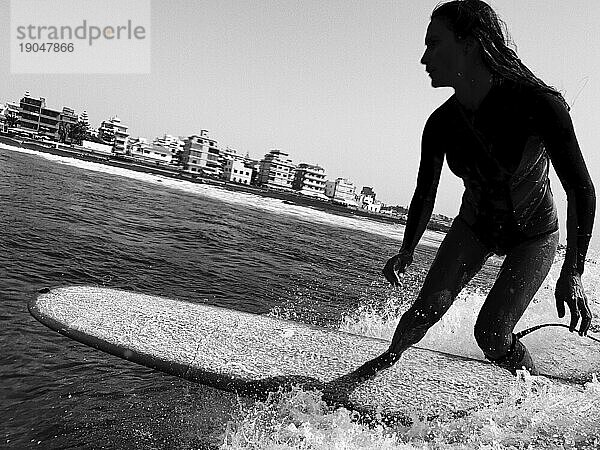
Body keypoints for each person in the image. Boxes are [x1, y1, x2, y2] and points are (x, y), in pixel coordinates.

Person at [353, 0, 595, 378]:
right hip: (475, 227)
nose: (424, 57)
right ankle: (376, 370)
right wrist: (407, 250)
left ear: (468, 44)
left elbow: (580, 189)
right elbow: (425, 193)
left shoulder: (538, 106)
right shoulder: (441, 123)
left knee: (491, 333)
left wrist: (574, 270)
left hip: (533, 235)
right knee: (423, 311)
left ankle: (528, 392)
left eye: (434, 43)